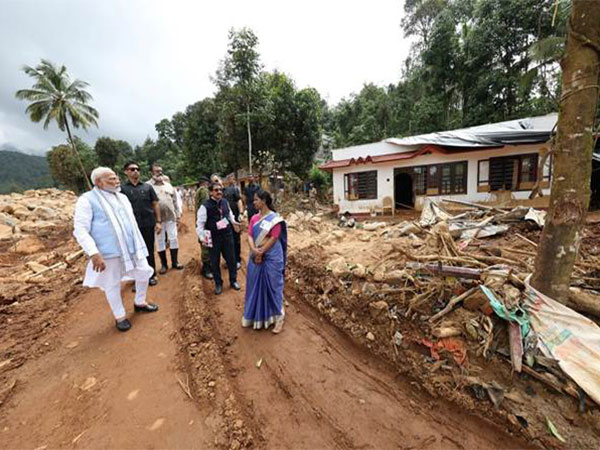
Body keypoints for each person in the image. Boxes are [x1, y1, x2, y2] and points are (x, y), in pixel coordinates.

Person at [73, 167, 159, 332]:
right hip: (108, 252)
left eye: (116, 177)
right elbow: (80, 229)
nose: (117, 180)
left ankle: (140, 302)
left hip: (132, 248)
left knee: (145, 272)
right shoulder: (87, 200)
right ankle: (120, 316)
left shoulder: (122, 197)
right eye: (111, 179)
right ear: (99, 182)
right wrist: (93, 252)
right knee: (112, 284)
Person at [243, 189, 287, 333]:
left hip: (273, 256)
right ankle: (258, 316)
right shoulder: (254, 218)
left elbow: (274, 237)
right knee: (254, 283)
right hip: (256, 254)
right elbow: (249, 235)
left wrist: (261, 251)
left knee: (274, 285)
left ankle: (279, 317)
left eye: (256, 200)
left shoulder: (275, 219)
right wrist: (254, 250)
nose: (253, 202)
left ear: (264, 201)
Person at [120, 161, 162, 286]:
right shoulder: (122, 189)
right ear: (126, 172)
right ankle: (138, 278)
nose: (135, 171)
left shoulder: (147, 187)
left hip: (148, 223)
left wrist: (158, 221)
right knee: (135, 253)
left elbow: (155, 204)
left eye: (137, 169)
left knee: (149, 250)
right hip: (132, 227)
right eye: (132, 169)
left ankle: (151, 275)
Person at [196, 182, 241, 295]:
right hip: (214, 237)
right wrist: (203, 238)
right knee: (215, 262)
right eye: (216, 190)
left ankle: (233, 280)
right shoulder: (205, 206)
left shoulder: (225, 202)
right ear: (211, 192)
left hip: (227, 235)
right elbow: (200, 225)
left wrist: (236, 223)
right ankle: (218, 284)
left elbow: (230, 216)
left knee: (231, 259)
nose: (219, 192)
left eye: (220, 190)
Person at [148, 165, 183, 273]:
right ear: (151, 172)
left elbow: (175, 202)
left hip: (171, 217)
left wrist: (178, 215)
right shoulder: (147, 186)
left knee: (173, 238)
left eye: (161, 171)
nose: (160, 173)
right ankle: (164, 265)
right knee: (160, 240)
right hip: (157, 220)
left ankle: (175, 262)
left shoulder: (168, 186)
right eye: (157, 171)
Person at [194, 177, 213, 279]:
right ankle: (207, 269)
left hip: (200, 221)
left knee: (205, 244)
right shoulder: (203, 191)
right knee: (206, 246)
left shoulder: (198, 191)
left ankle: (207, 267)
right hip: (205, 222)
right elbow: (206, 205)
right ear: (205, 183)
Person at [223, 175, 243, 269]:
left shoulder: (234, 189)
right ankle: (229, 260)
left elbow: (239, 201)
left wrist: (241, 213)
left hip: (234, 218)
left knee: (236, 239)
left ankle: (237, 260)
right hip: (224, 220)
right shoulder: (221, 191)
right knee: (226, 241)